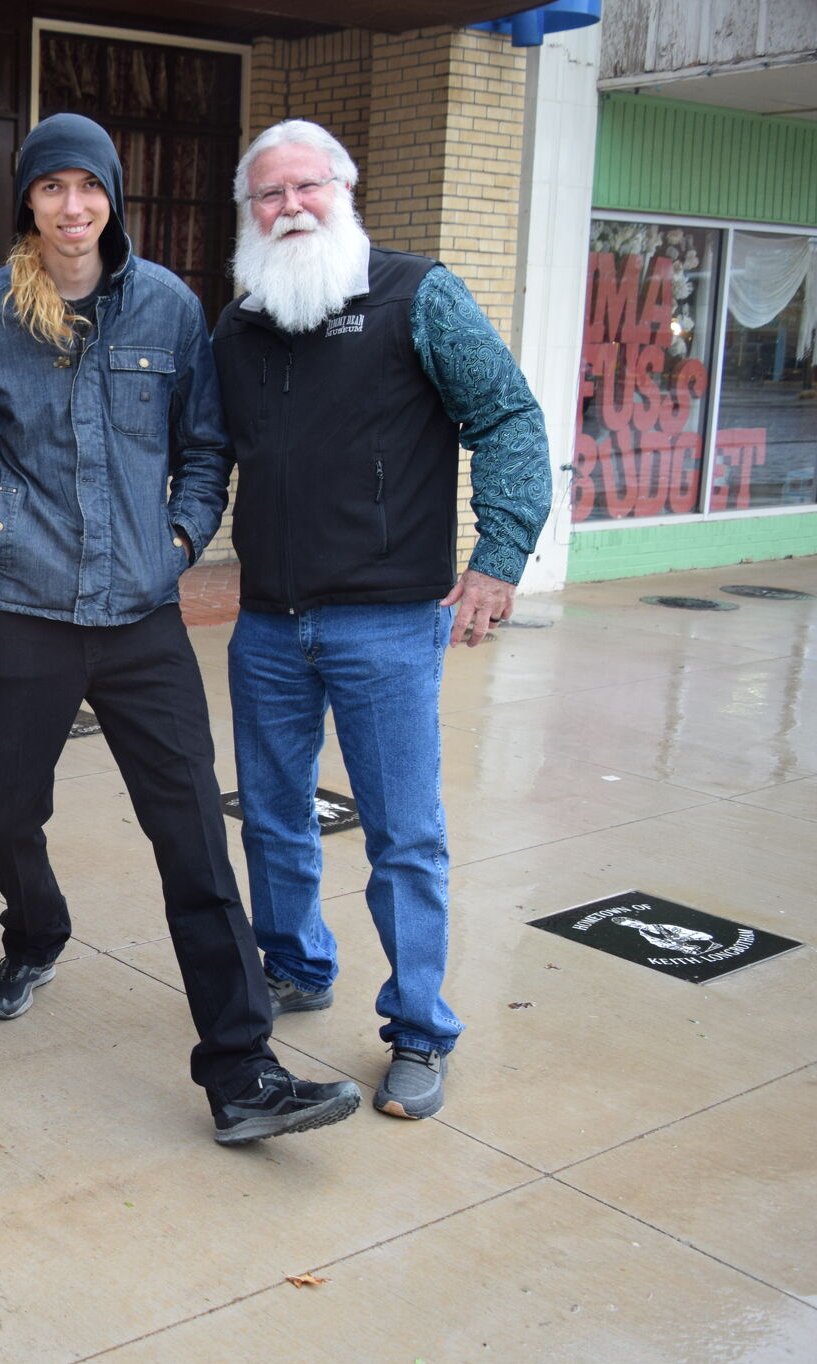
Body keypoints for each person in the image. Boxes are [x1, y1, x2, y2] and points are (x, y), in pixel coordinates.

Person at [0, 113, 360, 1145]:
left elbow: (205, 448)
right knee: (4, 816)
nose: (72, 206)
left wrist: (177, 540)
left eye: (89, 187)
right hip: (23, 608)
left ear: (112, 197)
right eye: (51, 188)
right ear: (26, 201)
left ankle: (240, 1071)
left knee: (194, 838)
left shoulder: (164, 307)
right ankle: (34, 933)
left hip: (141, 613)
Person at [211, 119, 551, 1121]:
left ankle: (416, 1031)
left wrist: (497, 559)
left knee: (402, 834)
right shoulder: (237, 325)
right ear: (249, 213)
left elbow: (507, 417)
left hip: (387, 625)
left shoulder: (418, 296)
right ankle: (294, 966)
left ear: (343, 191)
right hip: (267, 622)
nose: (288, 209)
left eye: (305, 188)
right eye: (267, 196)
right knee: (271, 818)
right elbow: (202, 454)